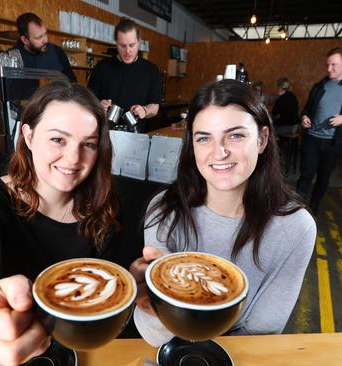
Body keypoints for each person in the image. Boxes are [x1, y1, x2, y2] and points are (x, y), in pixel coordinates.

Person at [0, 81, 120, 365]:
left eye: (88, 144)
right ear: (28, 135)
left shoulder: (105, 206)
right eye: (58, 139)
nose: (74, 158)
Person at [130, 80, 316, 347]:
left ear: (262, 139)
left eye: (236, 135)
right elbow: (153, 334)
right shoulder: (164, 208)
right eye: (204, 138)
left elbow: (261, 333)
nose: (219, 152)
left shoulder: (295, 228)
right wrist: (156, 307)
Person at [296, 47, 342, 214]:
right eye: (327, 65)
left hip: (334, 141)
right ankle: (296, 210)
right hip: (312, 138)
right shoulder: (319, 85)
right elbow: (307, 107)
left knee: (323, 176)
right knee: (306, 174)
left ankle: (313, 208)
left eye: (334, 65)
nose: (329, 69)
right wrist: (304, 116)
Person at [87, 17, 161, 133]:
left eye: (132, 45)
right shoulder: (102, 67)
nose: (127, 51)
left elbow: (155, 107)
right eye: (122, 46)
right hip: (105, 136)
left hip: (136, 137)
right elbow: (88, 101)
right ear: (116, 43)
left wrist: (145, 110)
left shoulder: (151, 70)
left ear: (139, 41)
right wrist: (99, 105)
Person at [10, 12, 76, 82]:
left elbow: (73, 83)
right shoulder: (12, 56)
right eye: (39, 37)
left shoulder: (57, 51)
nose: (45, 40)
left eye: (45, 34)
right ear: (25, 40)